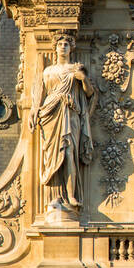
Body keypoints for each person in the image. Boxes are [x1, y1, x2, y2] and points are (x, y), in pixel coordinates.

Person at [29, 34, 96, 217]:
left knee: (69, 154)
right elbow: (38, 92)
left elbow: (89, 93)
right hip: (50, 114)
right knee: (52, 156)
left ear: (71, 48)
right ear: (56, 47)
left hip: (70, 112)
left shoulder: (76, 69)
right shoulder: (48, 71)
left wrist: (83, 79)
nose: (63, 47)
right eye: (60, 44)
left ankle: (70, 196)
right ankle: (55, 197)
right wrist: (34, 110)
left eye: (67, 44)